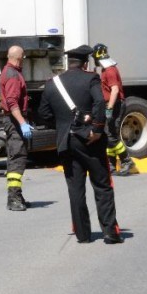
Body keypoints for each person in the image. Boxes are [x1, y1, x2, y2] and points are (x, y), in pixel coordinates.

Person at [38, 45, 122, 244]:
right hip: (90, 140)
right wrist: (97, 128)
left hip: (66, 142)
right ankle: (110, 232)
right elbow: (100, 103)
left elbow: (44, 114)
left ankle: (83, 235)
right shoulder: (91, 79)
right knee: (102, 185)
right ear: (85, 63)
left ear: (69, 63)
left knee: (75, 189)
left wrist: (63, 124)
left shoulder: (52, 84)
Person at [92, 43, 138, 176]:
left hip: (114, 105)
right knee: (108, 135)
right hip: (111, 104)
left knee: (111, 136)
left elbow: (115, 90)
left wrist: (109, 108)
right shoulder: (105, 70)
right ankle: (111, 165)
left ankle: (127, 161)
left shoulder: (110, 71)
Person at [0, 45, 32, 211]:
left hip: (12, 119)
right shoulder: (12, 75)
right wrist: (22, 122)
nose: (23, 60)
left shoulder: (9, 71)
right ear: (19, 58)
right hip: (13, 120)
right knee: (17, 158)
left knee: (17, 157)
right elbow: (12, 102)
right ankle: (13, 198)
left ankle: (17, 196)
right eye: (23, 57)